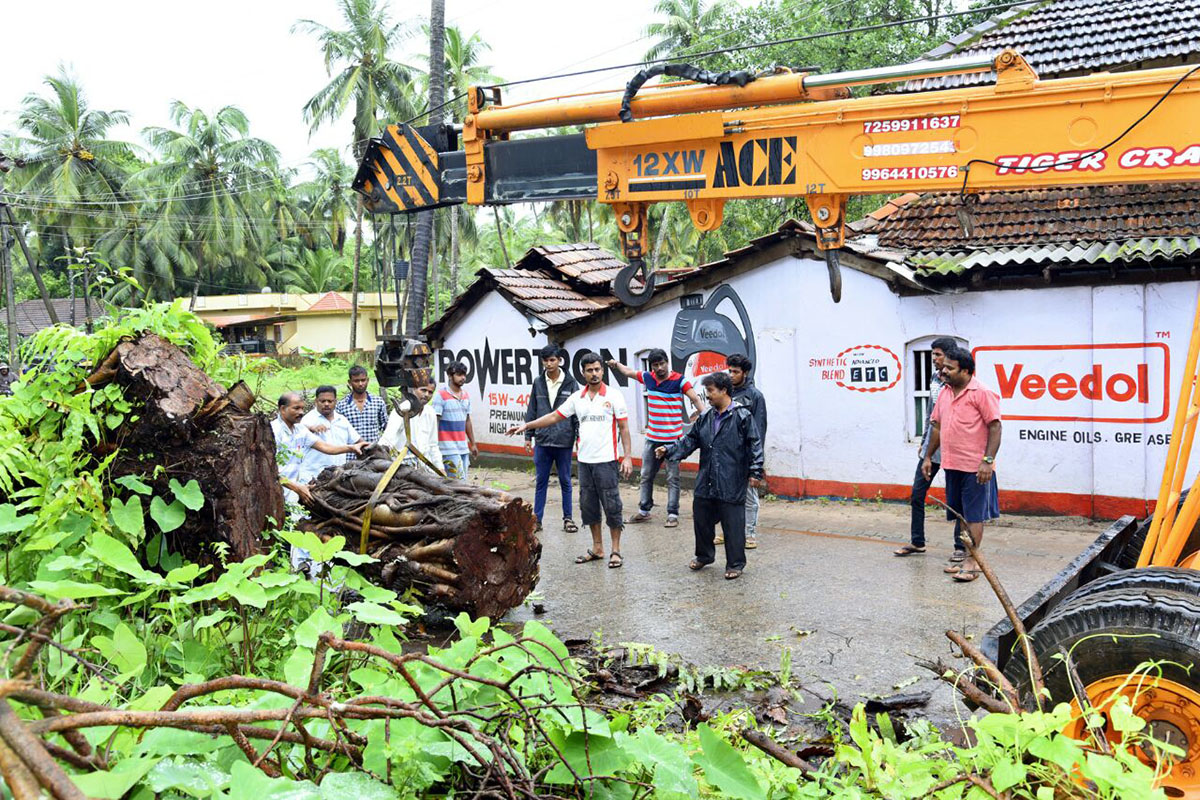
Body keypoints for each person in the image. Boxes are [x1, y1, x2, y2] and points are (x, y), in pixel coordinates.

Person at [507, 352, 633, 568]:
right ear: (583, 373)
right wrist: (527, 426)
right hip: (584, 462)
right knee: (588, 506)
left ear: (602, 371)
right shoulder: (577, 398)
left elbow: (624, 428)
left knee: (612, 506)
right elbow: (554, 416)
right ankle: (597, 548)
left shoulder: (613, 396)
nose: (594, 374)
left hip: (607, 461)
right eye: (589, 370)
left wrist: (628, 457)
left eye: (597, 369)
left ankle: (616, 551)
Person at [656, 372, 764, 580]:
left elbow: (755, 445)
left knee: (733, 524)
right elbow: (689, 441)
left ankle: (735, 563)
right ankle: (704, 556)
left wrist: (755, 471)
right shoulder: (706, 417)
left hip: (731, 479)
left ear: (724, 390)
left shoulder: (742, 416)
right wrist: (668, 450)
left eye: (711, 391)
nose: (708, 396)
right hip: (706, 478)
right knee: (702, 519)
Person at [922, 348, 1002, 583]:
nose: (943, 371)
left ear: (965, 371)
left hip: (975, 467)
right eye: (943, 366)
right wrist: (928, 457)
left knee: (974, 516)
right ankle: (967, 554)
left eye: (949, 368)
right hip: (952, 464)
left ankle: (973, 561)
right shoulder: (945, 392)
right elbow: (936, 427)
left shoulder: (982, 392)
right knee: (961, 514)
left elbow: (995, 427)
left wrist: (987, 461)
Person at [607, 349, 704, 528]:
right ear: (652, 367)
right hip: (652, 439)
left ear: (667, 363)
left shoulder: (680, 381)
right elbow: (628, 371)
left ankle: (673, 514)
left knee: (672, 478)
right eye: (656, 365)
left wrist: (705, 416)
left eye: (662, 364)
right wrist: (615, 365)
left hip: (673, 441)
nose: (660, 368)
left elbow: (695, 399)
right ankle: (644, 511)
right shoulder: (648, 377)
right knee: (645, 475)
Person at [895, 337, 965, 560]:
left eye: (937, 354)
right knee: (917, 494)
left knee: (957, 501)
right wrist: (925, 443)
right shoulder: (935, 378)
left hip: (955, 450)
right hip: (932, 448)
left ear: (949, 356)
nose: (934, 358)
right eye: (933, 354)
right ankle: (917, 542)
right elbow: (931, 415)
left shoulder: (959, 381)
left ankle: (961, 547)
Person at [523, 344, 580, 533]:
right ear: (542, 362)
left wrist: (579, 438)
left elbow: (577, 414)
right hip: (542, 440)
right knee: (541, 481)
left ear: (559, 360)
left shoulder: (571, 383)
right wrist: (528, 437)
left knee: (565, 480)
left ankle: (568, 519)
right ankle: (537, 520)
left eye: (552, 360)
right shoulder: (538, 382)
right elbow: (532, 410)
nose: (549, 364)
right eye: (546, 360)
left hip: (564, 441)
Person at [272, 392, 365, 505]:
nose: (301, 412)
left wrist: (351, 447)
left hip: (294, 490)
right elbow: (270, 470)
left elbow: (325, 447)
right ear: (282, 409)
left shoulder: (300, 429)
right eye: (296, 408)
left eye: (302, 408)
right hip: (276, 490)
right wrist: (296, 488)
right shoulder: (273, 431)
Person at [727, 354, 767, 549]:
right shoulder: (726, 393)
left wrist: (755, 464)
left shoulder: (755, 396)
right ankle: (726, 531)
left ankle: (749, 534)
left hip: (746, 456)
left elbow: (758, 430)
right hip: (727, 455)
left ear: (745, 372)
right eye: (730, 371)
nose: (731, 375)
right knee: (725, 496)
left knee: (749, 497)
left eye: (735, 371)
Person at [299, 386, 365, 482]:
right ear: (316, 401)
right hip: (313, 476)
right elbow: (298, 431)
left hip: (337, 476)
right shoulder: (308, 420)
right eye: (323, 401)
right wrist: (311, 428)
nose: (326, 404)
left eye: (330, 401)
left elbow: (358, 440)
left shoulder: (341, 420)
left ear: (335, 401)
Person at [379, 375, 441, 471]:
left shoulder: (431, 412)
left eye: (430, 392)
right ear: (414, 389)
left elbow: (433, 445)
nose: (426, 395)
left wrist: (440, 467)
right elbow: (388, 440)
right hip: (403, 466)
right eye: (423, 390)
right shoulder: (402, 410)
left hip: (426, 466)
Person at [433, 362, 479, 479]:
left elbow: (467, 420)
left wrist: (472, 444)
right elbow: (435, 421)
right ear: (450, 376)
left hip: (463, 446)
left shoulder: (465, 395)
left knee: (461, 482)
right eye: (459, 374)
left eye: (464, 374)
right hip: (447, 448)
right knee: (459, 482)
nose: (463, 378)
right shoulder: (441, 395)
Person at [335, 365, 388, 455]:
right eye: (356, 381)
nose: (360, 384)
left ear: (367, 380)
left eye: (363, 380)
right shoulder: (341, 405)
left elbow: (385, 427)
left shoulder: (378, 402)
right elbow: (338, 432)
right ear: (350, 382)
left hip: (374, 455)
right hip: (350, 455)